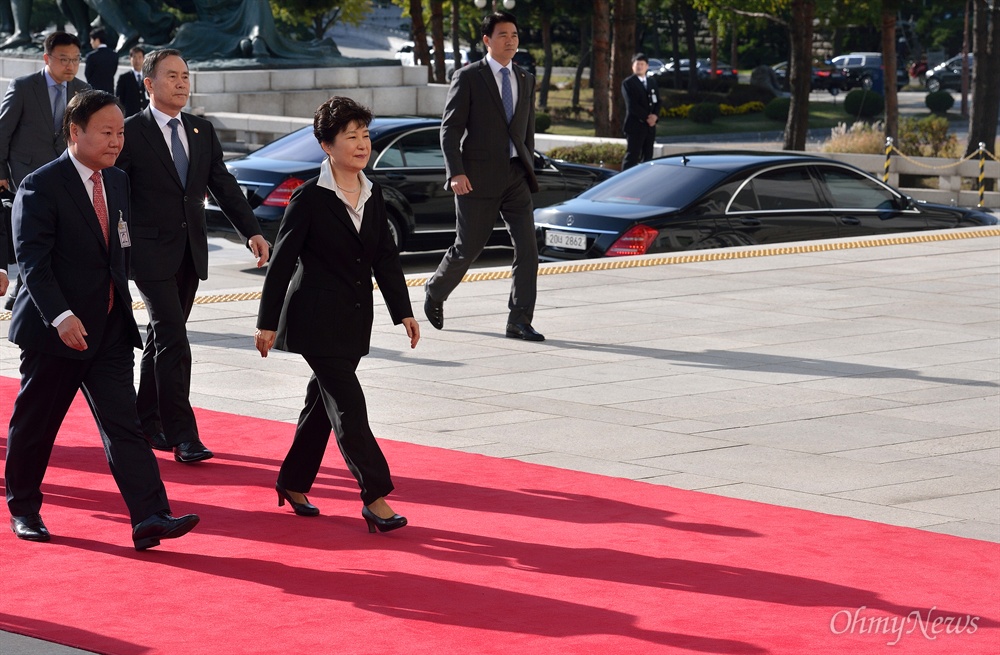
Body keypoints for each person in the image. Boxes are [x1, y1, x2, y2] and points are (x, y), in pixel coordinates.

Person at [5, 90, 199, 550]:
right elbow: (33, 262)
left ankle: (151, 516)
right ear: (76, 132)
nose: (117, 142)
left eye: (121, 132)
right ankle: (24, 508)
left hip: (108, 328)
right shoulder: (40, 185)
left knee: (124, 424)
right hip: (58, 332)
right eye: (107, 133)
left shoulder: (116, 182)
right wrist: (61, 316)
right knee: (37, 423)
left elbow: (120, 248)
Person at [254, 96, 419, 534]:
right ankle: (376, 497)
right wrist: (267, 322)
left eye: (365, 135)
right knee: (349, 406)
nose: (362, 144)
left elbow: (385, 257)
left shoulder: (374, 192)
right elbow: (283, 262)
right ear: (328, 145)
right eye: (351, 136)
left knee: (320, 407)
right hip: (314, 321)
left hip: (353, 319)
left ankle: (292, 482)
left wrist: (403, 311)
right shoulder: (309, 198)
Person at [115, 48, 269, 464]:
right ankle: (184, 435)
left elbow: (222, 183)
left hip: (189, 252)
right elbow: (115, 196)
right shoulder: (130, 132)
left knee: (162, 339)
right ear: (149, 84)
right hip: (148, 254)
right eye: (172, 76)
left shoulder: (201, 130)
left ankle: (145, 421)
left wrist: (251, 231)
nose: (182, 83)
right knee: (174, 339)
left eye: (186, 75)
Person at [424, 11, 543, 342]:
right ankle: (435, 289)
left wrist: (528, 164)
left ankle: (519, 320)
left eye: (515, 35)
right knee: (468, 248)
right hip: (475, 179)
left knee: (528, 249)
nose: (511, 40)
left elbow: (526, 131)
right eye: (503, 35)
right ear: (487, 40)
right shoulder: (468, 77)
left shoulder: (525, 78)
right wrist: (455, 172)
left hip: (516, 176)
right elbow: (449, 131)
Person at [0, 31, 90, 310]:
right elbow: (2, 131)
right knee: (32, 238)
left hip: (65, 179)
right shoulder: (24, 86)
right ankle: (23, 295)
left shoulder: (84, 90)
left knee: (58, 240)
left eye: (75, 59)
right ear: (46, 58)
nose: (70, 66)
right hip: (24, 176)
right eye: (64, 59)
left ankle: (31, 295)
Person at [621, 52, 659, 170]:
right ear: (632, 66)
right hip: (635, 126)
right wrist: (647, 118)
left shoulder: (651, 82)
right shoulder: (628, 83)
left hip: (649, 127)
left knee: (648, 157)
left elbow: (658, 101)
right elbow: (632, 105)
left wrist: (655, 116)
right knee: (632, 156)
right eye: (637, 64)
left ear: (647, 66)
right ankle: (624, 181)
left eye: (642, 64)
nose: (639, 67)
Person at [115, 45, 147, 116]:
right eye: (134, 57)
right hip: (130, 117)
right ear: (130, 59)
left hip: (146, 116)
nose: (137, 60)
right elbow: (119, 99)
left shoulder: (149, 77)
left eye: (140, 57)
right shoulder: (124, 78)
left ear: (144, 59)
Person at [84, 27, 117, 94]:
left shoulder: (91, 56)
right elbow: (113, 71)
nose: (90, 42)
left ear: (97, 40)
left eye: (91, 40)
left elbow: (88, 74)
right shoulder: (114, 55)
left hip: (94, 92)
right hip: (109, 92)